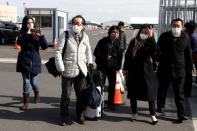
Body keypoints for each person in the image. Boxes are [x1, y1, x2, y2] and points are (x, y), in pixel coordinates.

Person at [55, 15, 93, 126]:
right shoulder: (65, 35)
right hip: (67, 69)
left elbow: (88, 51)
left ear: (83, 26)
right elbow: (58, 51)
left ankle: (80, 114)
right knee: (66, 95)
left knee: (81, 95)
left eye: (79, 24)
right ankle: (64, 116)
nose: (76, 26)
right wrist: (60, 67)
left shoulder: (85, 37)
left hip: (81, 71)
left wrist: (90, 63)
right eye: (74, 23)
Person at [156, 18, 192, 123]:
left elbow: (188, 55)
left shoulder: (186, 38)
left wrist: (189, 69)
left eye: (178, 26)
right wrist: (157, 59)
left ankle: (181, 114)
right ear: (171, 26)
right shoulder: (164, 36)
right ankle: (160, 106)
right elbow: (157, 51)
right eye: (174, 25)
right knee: (162, 89)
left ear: (182, 27)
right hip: (164, 68)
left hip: (179, 70)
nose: (176, 27)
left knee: (179, 93)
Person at [123, 24, 158, 124]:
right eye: (142, 32)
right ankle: (134, 113)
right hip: (134, 71)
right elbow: (128, 55)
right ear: (139, 32)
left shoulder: (150, 42)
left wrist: (151, 37)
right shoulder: (134, 42)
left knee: (150, 95)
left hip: (147, 71)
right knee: (133, 93)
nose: (144, 34)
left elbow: (156, 51)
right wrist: (125, 68)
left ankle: (152, 115)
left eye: (146, 33)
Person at [16, 16, 48, 111]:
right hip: (24, 59)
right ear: (25, 24)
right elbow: (19, 43)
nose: (30, 24)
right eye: (28, 22)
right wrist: (27, 33)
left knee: (33, 81)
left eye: (32, 22)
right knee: (26, 82)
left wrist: (41, 36)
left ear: (34, 23)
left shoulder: (37, 33)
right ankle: (26, 103)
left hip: (34, 60)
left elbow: (45, 46)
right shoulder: (22, 32)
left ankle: (36, 92)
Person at [94, 25, 122, 111]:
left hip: (113, 67)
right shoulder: (103, 41)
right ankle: (99, 103)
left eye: (117, 32)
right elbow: (96, 53)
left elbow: (120, 56)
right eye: (114, 32)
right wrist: (105, 57)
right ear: (110, 32)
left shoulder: (118, 43)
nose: (115, 34)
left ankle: (111, 103)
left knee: (112, 86)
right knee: (100, 85)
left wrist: (119, 67)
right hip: (103, 66)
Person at [184, 21, 197, 97]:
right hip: (193, 56)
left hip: (190, 57)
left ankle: (187, 92)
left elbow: (189, 49)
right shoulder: (195, 35)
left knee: (188, 76)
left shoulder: (190, 37)